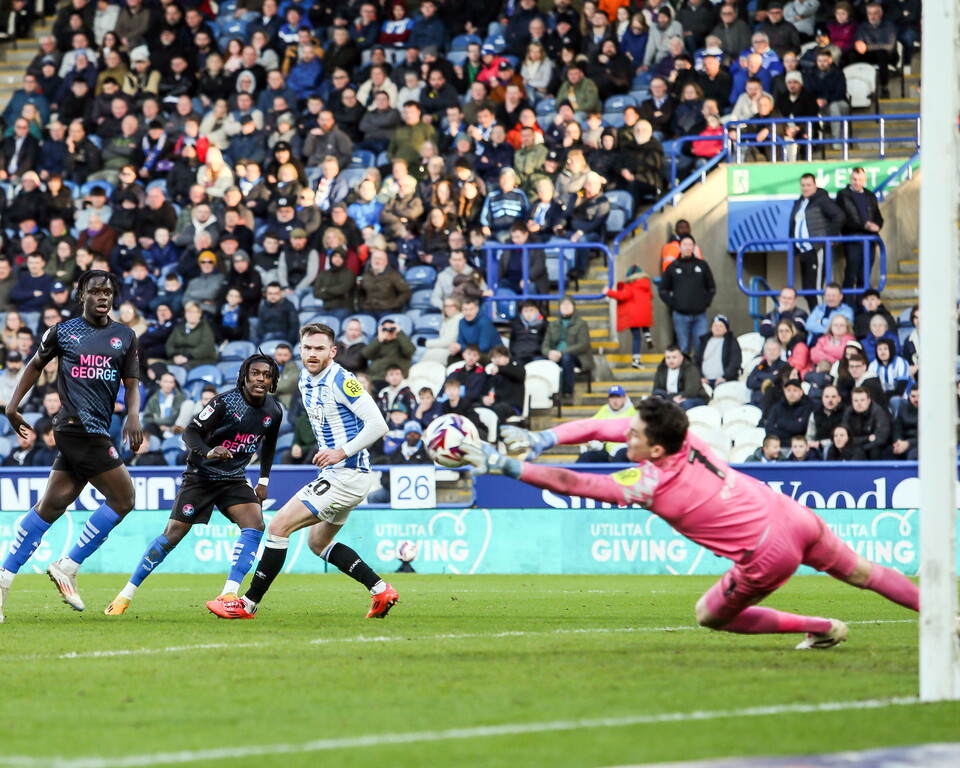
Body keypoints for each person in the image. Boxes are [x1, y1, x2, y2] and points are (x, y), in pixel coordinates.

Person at [474, 397, 921, 647]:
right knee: (863, 572)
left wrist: (505, 465)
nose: (625, 434)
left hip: (767, 553)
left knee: (709, 614)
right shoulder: (685, 437)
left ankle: (819, 627)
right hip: (791, 514)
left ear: (654, 450)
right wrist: (545, 437)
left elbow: (571, 482)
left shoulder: (647, 484)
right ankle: (943, 614)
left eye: (634, 434)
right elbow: (600, 428)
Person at [207, 323, 397, 620]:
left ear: (333, 351)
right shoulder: (305, 380)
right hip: (339, 475)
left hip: (347, 473)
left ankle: (247, 604)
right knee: (317, 542)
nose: (312, 353)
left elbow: (378, 424)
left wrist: (341, 451)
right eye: (307, 348)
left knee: (278, 526)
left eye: (320, 348)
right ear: (300, 349)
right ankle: (380, 590)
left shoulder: (341, 380)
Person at [0, 271, 142, 622]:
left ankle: (3, 578)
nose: (102, 296)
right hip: (77, 428)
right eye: (95, 291)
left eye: (108, 292)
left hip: (96, 430)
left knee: (50, 507)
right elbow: (35, 365)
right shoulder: (63, 331)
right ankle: (68, 565)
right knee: (124, 498)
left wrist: (133, 415)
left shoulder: (125, 336)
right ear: (82, 295)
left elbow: (132, 384)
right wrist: (12, 407)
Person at [105, 354, 282, 615]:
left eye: (267, 375)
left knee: (255, 524)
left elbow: (269, 445)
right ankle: (125, 595)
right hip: (200, 477)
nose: (260, 379)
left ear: (273, 381)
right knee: (172, 535)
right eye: (255, 373)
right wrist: (209, 451)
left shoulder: (274, 410)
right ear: (244, 376)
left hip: (233, 479)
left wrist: (263, 481)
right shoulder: (224, 402)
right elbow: (190, 431)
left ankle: (229, 593)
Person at [788, 173, 845, 308]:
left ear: (815, 185)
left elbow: (839, 216)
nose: (805, 188)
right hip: (804, 251)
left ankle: (820, 318)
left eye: (808, 185)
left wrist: (829, 237)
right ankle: (815, 317)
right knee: (808, 291)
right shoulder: (800, 202)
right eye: (803, 185)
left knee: (816, 290)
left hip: (816, 249)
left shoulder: (822, 200)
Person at [658, 234, 716, 357]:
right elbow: (663, 289)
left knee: (701, 347)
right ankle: (685, 369)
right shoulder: (672, 267)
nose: (687, 247)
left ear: (694, 247)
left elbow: (711, 287)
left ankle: (699, 370)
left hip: (700, 315)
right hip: (680, 315)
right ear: (680, 247)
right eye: (685, 244)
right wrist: (674, 303)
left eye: (690, 245)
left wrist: (706, 302)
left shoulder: (702, 265)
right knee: (683, 348)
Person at [835, 167, 883, 301]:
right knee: (850, 275)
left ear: (865, 180)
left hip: (870, 241)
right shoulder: (843, 195)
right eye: (854, 179)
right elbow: (842, 219)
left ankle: (862, 306)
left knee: (864, 276)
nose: (857, 182)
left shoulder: (870, 195)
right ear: (850, 179)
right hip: (852, 240)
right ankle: (848, 305)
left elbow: (878, 217)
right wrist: (864, 225)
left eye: (860, 180)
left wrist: (877, 226)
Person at [542, 295, 594, 405]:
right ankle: (547, 395)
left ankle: (567, 393)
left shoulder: (581, 324)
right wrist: (549, 353)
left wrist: (561, 353)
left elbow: (583, 345)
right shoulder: (553, 325)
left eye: (568, 304)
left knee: (567, 359)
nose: (566, 307)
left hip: (577, 357)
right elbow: (545, 345)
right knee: (538, 361)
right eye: (563, 304)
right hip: (555, 356)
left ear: (574, 307)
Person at [607, 264, 654, 366]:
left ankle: (636, 360)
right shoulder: (646, 285)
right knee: (644, 323)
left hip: (633, 316)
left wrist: (608, 292)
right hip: (645, 313)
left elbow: (623, 296)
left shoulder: (630, 286)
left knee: (636, 337)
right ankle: (648, 336)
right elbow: (651, 296)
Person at [577, 385, 637, 463]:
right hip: (607, 450)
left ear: (624, 398)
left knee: (620, 455)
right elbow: (590, 426)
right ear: (609, 399)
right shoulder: (604, 410)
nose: (615, 401)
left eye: (618, 397)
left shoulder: (633, 412)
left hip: (625, 449)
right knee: (585, 456)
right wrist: (594, 441)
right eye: (612, 397)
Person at [652, 344, 708, 411]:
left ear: (681, 358)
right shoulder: (661, 368)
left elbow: (690, 392)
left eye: (674, 357)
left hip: (694, 398)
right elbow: (656, 389)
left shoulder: (690, 368)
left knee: (686, 403)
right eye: (668, 357)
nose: (671, 360)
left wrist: (670, 398)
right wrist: (668, 398)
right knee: (653, 400)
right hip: (670, 398)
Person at [842, 385, 890, 460]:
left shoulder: (878, 412)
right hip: (855, 447)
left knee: (875, 451)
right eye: (856, 400)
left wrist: (862, 448)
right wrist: (867, 438)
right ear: (851, 401)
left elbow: (881, 438)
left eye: (862, 400)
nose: (859, 403)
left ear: (868, 401)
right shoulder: (848, 412)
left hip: (872, 448)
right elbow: (845, 438)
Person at [694, 314, 742, 389]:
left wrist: (725, 377)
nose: (717, 328)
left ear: (726, 329)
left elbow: (735, 362)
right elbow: (696, 361)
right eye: (715, 325)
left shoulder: (732, 342)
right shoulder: (704, 341)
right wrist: (700, 377)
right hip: (704, 381)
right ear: (711, 328)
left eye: (720, 326)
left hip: (723, 381)